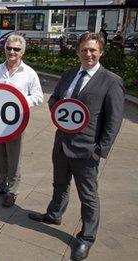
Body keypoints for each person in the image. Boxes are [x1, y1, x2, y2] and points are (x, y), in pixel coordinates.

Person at [28, 33, 124, 261]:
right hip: (61, 143)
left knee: (88, 195)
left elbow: (114, 120)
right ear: (78, 51)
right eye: (84, 50)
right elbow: (54, 100)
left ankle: (86, 238)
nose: (88, 54)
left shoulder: (111, 81)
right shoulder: (69, 74)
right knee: (59, 183)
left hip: (87, 149)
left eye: (93, 50)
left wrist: (101, 149)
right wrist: (59, 109)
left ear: (101, 52)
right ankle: (54, 214)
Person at [0, 34, 43, 207]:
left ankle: (12, 191)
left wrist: (21, 101)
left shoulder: (29, 73)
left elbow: (38, 96)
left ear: (22, 52)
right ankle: (0, 184)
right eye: (9, 48)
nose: (12, 51)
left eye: (16, 49)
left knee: (14, 156)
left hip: (16, 122)